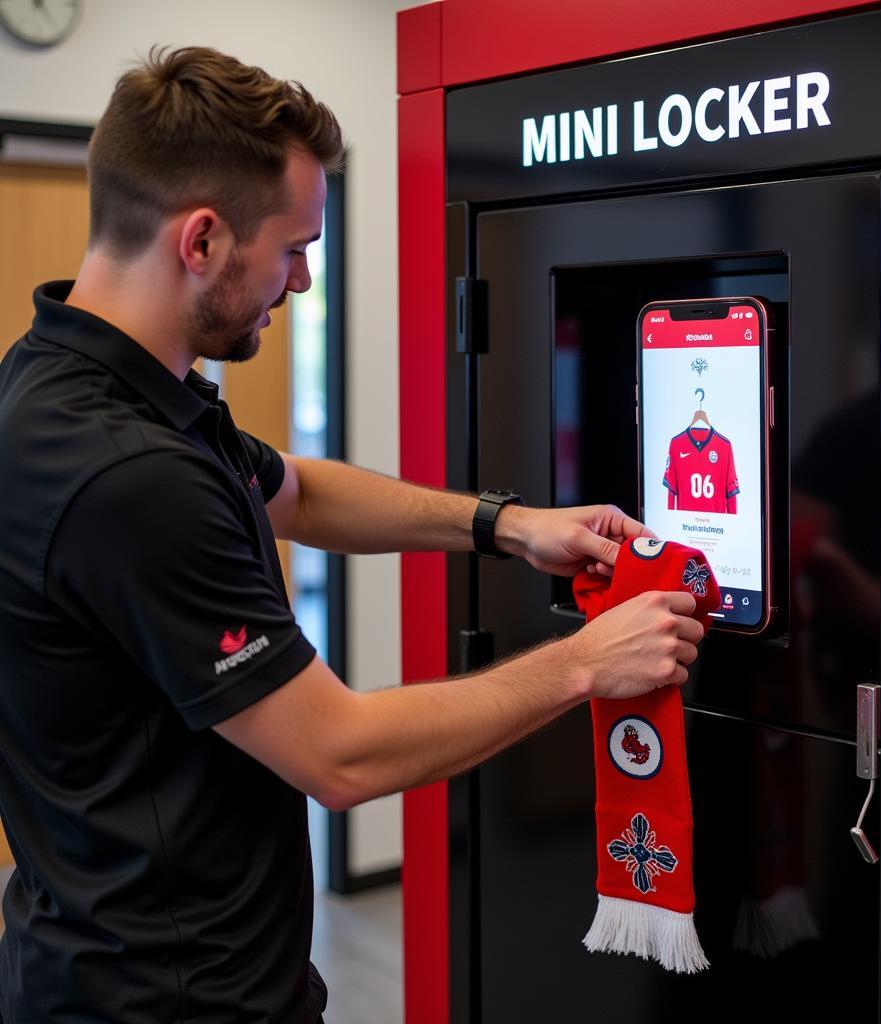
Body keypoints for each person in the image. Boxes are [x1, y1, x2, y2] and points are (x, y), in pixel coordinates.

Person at [0, 48, 706, 1023]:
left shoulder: (87, 387)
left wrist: (507, 526)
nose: (299, 278)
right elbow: (340, 755)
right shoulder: (127, 473)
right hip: (163, 998)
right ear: (200, 239)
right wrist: (585, 663)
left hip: (127, 954)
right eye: (292, 247)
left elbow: (297, 495)